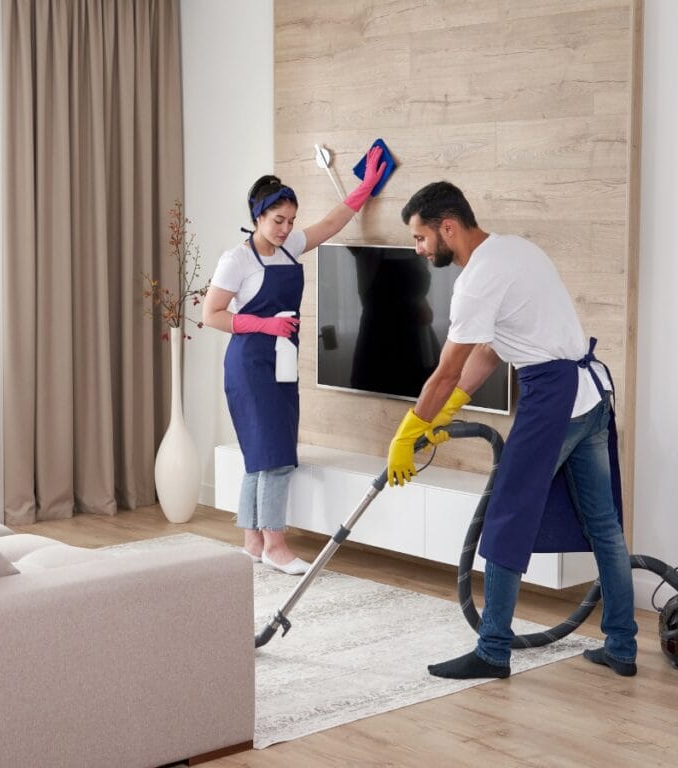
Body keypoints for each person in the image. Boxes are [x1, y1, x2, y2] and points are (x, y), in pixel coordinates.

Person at [386, 180, 637, 678]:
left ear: (448, 227)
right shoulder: (515, 249)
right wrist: (451, 408)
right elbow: (490, 348)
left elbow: (447, 369)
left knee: (506, 516)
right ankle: (623, 647)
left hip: (553, 399)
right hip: (590, 396)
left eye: (420, 237)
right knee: (604, 526)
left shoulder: (477, 280)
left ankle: (493, 650)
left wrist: (407, 432)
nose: (418, 249)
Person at [202, 146, 386, 575]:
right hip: (249, 364)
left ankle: (251, 541)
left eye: (289, 221)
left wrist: (366, 187)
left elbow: (331, 222)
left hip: (282, 361)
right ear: (257, 216)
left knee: (260, 454)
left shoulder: (291, 247)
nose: (285, 229)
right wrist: (263, 326)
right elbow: (211, 315)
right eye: (276, 221)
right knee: (275, 456)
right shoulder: (238, 259)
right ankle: (276, 544)